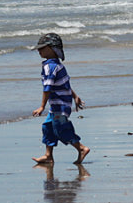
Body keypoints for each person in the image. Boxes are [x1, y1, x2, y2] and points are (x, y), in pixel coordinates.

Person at [31, 33, 90, 165]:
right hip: (57, 105)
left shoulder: (50, 67)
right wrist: (75, 96)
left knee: (61, 129)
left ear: (53, 49)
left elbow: (47, 88)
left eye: (42, 48)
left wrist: (42, 106)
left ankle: (81, 148)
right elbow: (65, 83)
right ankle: (48, 156)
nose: (39, 50)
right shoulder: (56, 65)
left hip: (60, 105)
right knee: (48, 127)